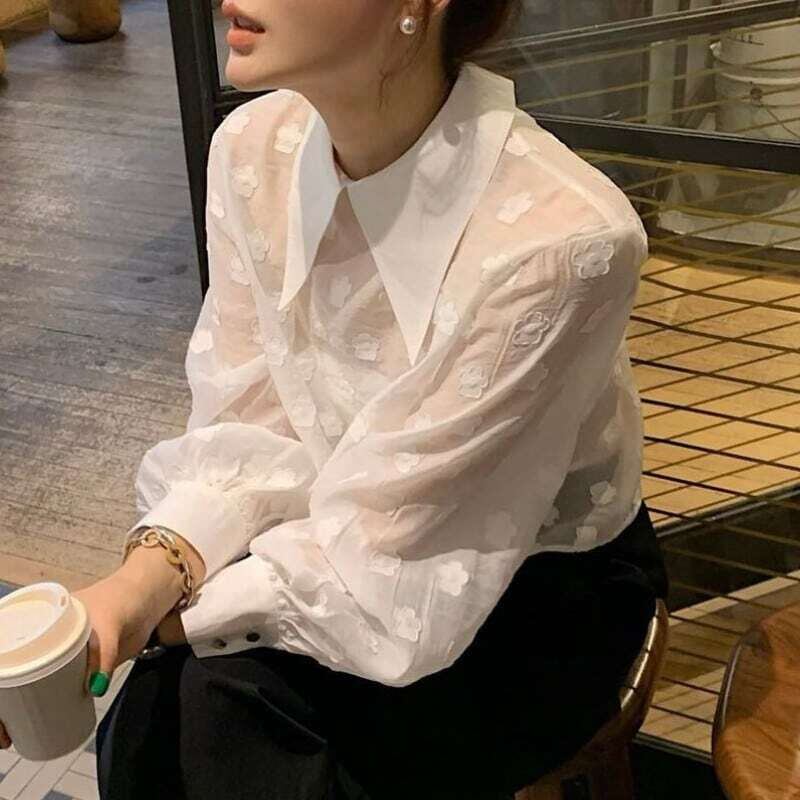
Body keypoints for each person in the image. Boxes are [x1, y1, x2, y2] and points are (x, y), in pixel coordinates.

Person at [1, 0, 670, 797]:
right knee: (170, 707)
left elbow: (401, 564)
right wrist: (137, 586)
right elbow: (254, 420)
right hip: (342, 534)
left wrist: (162, 618)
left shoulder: (563, 241)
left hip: (534, 590)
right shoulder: (253, 149)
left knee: (221, 708)